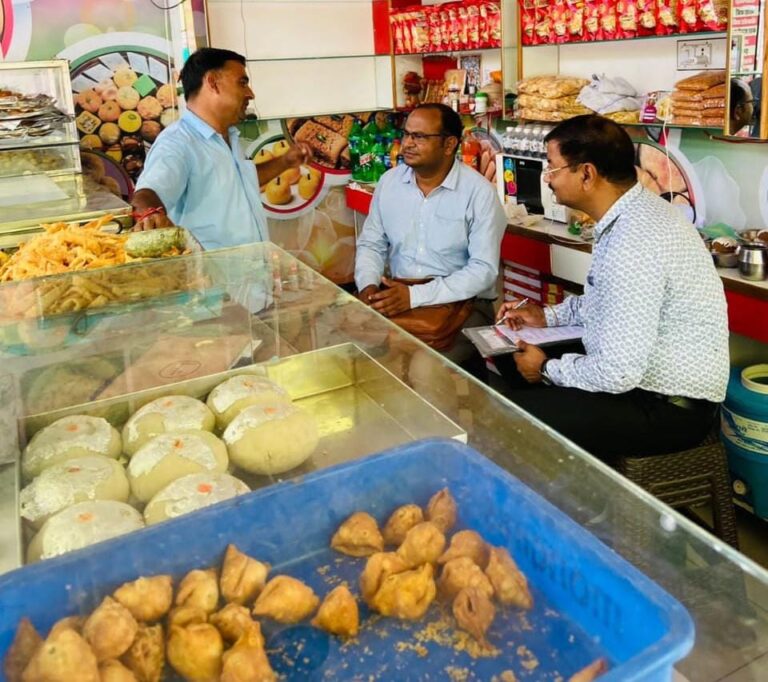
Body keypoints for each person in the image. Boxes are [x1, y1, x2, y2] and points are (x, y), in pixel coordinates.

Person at [492, 114, 729, 463]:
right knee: (511, 359)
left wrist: (546, 369)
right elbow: (603, 301)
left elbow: (617, 373)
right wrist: (544, 316)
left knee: (509, 418)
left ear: (586, 173)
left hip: (668, 407)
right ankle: (569, 479)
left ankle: (572, 501)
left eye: (553, 169)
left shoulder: (634, 241)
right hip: (642, 381)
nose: (548, 179)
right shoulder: (632, 215)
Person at [354, 103, 507, 365]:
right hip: (399, 294)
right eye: (406, 134)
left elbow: (483, 270)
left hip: (463, 302)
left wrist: (415, 296)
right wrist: (368, 285)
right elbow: (371, 243)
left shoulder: (479, 193)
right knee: (356, 355)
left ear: (449, 145)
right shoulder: (389, 183)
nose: (407, 144)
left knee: (424, 367)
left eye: (420, 137)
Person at [132, 48, 311, 249]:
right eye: (242, 83)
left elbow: (240, 180)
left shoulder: (229, 136)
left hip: (252, 272)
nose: (250, 93)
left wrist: (286, 161)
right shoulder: (177, 143)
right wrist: (150, 215)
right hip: (212, 277)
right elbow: (146, 194)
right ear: (212, 83)